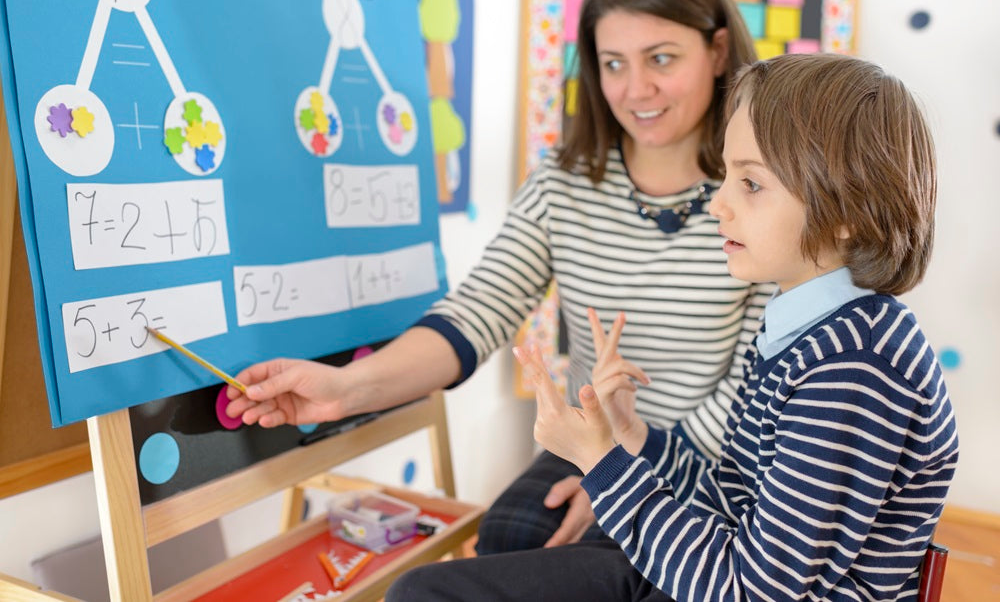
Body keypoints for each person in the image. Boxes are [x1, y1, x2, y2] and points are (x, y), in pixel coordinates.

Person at [226, 0, 771, 555]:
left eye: (662, 59)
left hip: (717, 459)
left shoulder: (760, 189)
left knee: (615, 571)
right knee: (512, 543)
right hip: (594, 442)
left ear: (718, 51)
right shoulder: (564, 185)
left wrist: (627, 475)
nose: (635, 89)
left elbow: (758, 380)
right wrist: (347, 388)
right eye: (613, 63)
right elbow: (478, 310)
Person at [385, 53, 960, 601]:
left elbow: (753, 589)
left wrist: (600, 464)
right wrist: (632, 437)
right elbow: (728, 498)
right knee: (425, 589)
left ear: (847, 213)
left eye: (751, 184)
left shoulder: (854, 368)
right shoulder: (810, 329)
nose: (718, 205)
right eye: (728, 177)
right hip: (713, 576)